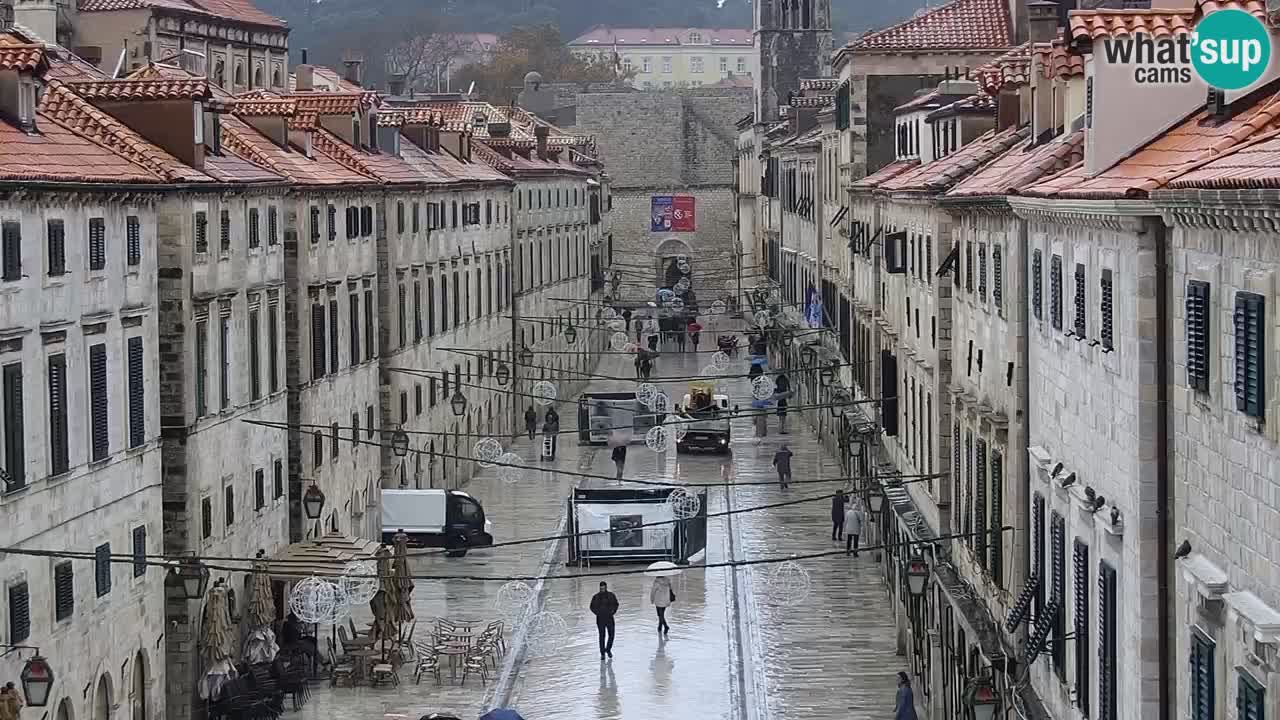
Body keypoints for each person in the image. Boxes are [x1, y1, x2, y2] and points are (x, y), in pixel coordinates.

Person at [590, 581, 619, 658]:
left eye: (603, 588)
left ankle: (608, 649)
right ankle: (602, 653)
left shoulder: (611, 595)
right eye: (601, 588)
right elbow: (592, 607)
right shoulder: (596, 597)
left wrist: (613, 611)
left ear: (606, 587)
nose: (602, 589)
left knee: (611, 635)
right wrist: (598, 613)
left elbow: (616, 604)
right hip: (600, 619)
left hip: (609, 618)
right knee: (602, 636)